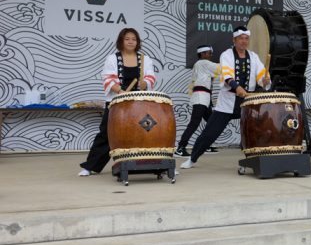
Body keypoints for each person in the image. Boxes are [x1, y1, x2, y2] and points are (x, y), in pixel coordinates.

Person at [180, 26, 270, 169]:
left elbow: (261, 74)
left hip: (248, 100)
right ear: (234, 40)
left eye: (246, 38)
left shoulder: (253, 56)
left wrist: (264, 81)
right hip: (228, 100)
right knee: (211, 132)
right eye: (241, 38)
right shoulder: (226, 55)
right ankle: (192, 158)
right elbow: (227, 74)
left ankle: (255, 159)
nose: (244, 41)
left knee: (254, 130)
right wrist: (236, 87)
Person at [78, 28, 156, 176]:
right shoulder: (112, 58)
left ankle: (156, 164)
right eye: (127, 39)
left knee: (147, 131)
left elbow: (151, 76)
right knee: (107, 133)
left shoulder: (145, 59)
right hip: (117, 101)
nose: (131, 41)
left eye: (134, 39)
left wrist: (145, 83)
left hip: (139, 103)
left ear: (137, 42)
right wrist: (120, 92)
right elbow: (107, 78)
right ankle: (90, 166)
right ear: (121, 41)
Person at [174, 45, 220, 157]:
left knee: (211, 122)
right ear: (203, 54)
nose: (211, 55)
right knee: (194, 124)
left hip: (204, 98)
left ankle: (205, 145)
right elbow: (220, 68)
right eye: (209, 53)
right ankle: (180, 148)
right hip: (201, 97)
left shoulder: (201, 65)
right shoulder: (202, 63)